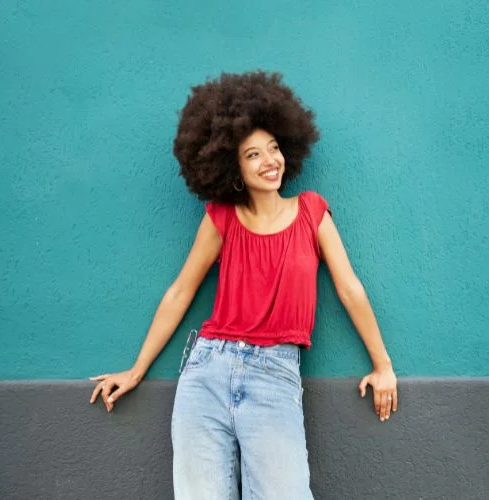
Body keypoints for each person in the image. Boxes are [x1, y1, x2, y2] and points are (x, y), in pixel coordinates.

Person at [88, 70, 398, 499]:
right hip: (207, 372)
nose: (269, 160)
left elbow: (350, 289)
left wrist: (383, 365)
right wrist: (137, 369)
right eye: (253, 154)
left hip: (275, 374)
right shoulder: (221, 218)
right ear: (231, 165)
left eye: (273, 148)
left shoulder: (311, 211)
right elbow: (181, 291)